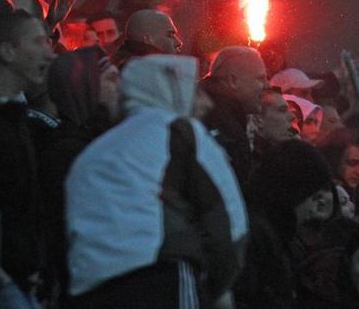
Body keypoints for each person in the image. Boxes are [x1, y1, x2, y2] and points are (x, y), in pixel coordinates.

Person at [66, 55, 247, 309]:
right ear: (168, 89)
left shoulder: (91, 155)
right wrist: (217, 286)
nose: (206, 103)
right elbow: (228, 216)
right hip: (163, 278)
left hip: (90, 291)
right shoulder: (180, 132)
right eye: (194, 91)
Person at [0, 9, 56, 308]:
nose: (49, 54)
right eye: (38, 42)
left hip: (19, 276)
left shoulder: (18, 118)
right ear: (7, 52)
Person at [41, 46, 121, 305]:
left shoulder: (99, 142)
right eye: (110, 79)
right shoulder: (68, 153)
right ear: (85, 86)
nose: (119, 87)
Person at [237, 140, 338, 309]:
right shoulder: (260, 236)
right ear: (297, 192)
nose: (316, 203)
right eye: (314, 194)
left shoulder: (274, 233)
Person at [200, 46, 267, 191]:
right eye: (260, 79)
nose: (266, 87)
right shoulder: (224, 128)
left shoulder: (210, 111)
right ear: (233, 80)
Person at [110, 9, 182, 67]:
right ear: (147, 39)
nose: (179, 42)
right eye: (170, 35)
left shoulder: (124, 67)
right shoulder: (144, 71)